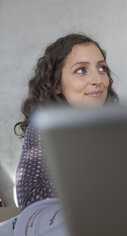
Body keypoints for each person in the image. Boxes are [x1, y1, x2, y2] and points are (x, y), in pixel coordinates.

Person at [14, 33, 119, 211]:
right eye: (81, 70)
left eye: (102, 68)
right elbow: (31, 203)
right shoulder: (43, 130)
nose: (97, 80)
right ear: (56, 85)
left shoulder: (123, 127)